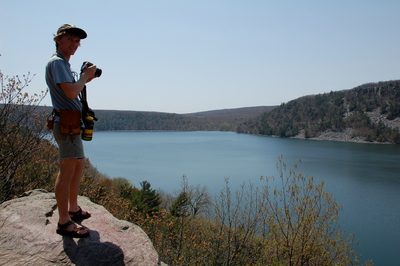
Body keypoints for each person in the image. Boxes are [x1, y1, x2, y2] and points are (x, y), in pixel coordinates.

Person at [46, 24, 97, 238]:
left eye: (78, 42)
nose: (75, 45)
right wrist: (85, 78)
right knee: (67, 169)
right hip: (65, 125)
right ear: (59, 39)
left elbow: (72, 91)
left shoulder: (64, 64)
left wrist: (84, 79)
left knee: (77, 164)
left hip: (72, 124)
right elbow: (69, 93)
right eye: (71, 40)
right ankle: (64, 222)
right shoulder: (57, 63)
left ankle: (73, 208)